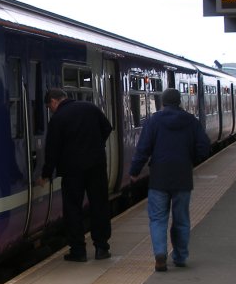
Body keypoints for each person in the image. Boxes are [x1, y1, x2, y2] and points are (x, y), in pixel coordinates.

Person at [129, 88, 210, 272]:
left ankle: (160, 254)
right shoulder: (191, 121)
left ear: (163, 102)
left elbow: (143, 149)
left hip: (159, 177)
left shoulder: (154, 121)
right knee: (181, 218)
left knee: (158, 218)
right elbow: (204, 147)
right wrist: (190, 159)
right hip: (182, 176)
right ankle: (180, 256)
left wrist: (134, 171)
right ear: (179, 101)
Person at [38, 88, 113, 262]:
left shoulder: (58, 119)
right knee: (99, 205)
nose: (51, 110)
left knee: (73, 209)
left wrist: (46, 174)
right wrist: (95, 146)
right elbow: (107, 128)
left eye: (50, 107)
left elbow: (52, 151)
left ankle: (78, 251)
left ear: (54, 101)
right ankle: (102, 248)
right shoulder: (90, 108)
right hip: (96, 166)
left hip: (72, 171)